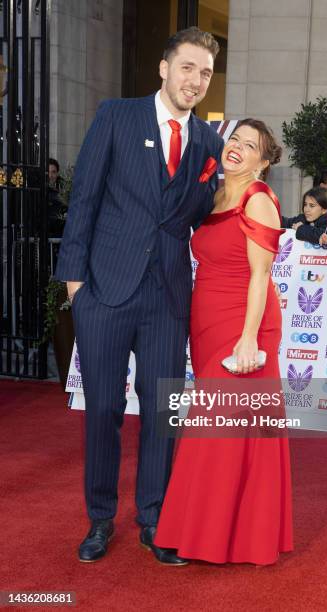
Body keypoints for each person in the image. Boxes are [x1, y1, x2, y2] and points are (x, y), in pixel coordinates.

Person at [55, 27, 223, 565]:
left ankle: (154, 518)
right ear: (164, 67)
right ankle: (100, 519)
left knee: (162, 414)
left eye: (205, 73)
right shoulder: (116, 115)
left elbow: (198, 214)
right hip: (104, 291)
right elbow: (83, 199)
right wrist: (76, 287)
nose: (195, 81)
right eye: (188, 67)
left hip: (167, 298)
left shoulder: (208, 144)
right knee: (102, 409)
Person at [154, 119, 294, 566]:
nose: (237, 148)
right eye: (235, 139)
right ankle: (212, 529)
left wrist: (249, 339)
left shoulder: (259, 200)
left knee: (222, 431)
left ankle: (217, 536)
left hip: (243, 325)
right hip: (208, 322)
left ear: (264, 162)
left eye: (250, 146)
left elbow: (261, 275)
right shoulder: (215, 194)